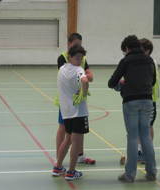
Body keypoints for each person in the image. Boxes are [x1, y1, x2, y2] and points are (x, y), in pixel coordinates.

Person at [108, 35, 157, 182]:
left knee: (133, 138)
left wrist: (124, 83)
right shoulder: (149, 60)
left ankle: (130, 175)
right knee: (146, 137)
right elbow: (153, 81)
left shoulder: (126, 61)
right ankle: (152, 172)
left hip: (131, 102)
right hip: (148, 101)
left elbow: (112, 82)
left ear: (127, 48)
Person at [52, 33, 95, 177]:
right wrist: (83, 93)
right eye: (77, 58)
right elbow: (85, 80)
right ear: (70, 56)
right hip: (78, 111)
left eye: (81, 58)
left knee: (68, 138)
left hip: (66, 110)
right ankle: (71, 171)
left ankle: (58, 167)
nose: (80, 60)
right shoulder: (78, 70)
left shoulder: (63, 69)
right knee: (76, 140)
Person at [137, 38, 160, 163]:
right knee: (140, 126)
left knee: (148, 126)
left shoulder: (150, 62)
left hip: (150, 99)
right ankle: (140, 151)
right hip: (142, 99)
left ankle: (148, 152)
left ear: (147, 50)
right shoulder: (143, 61)